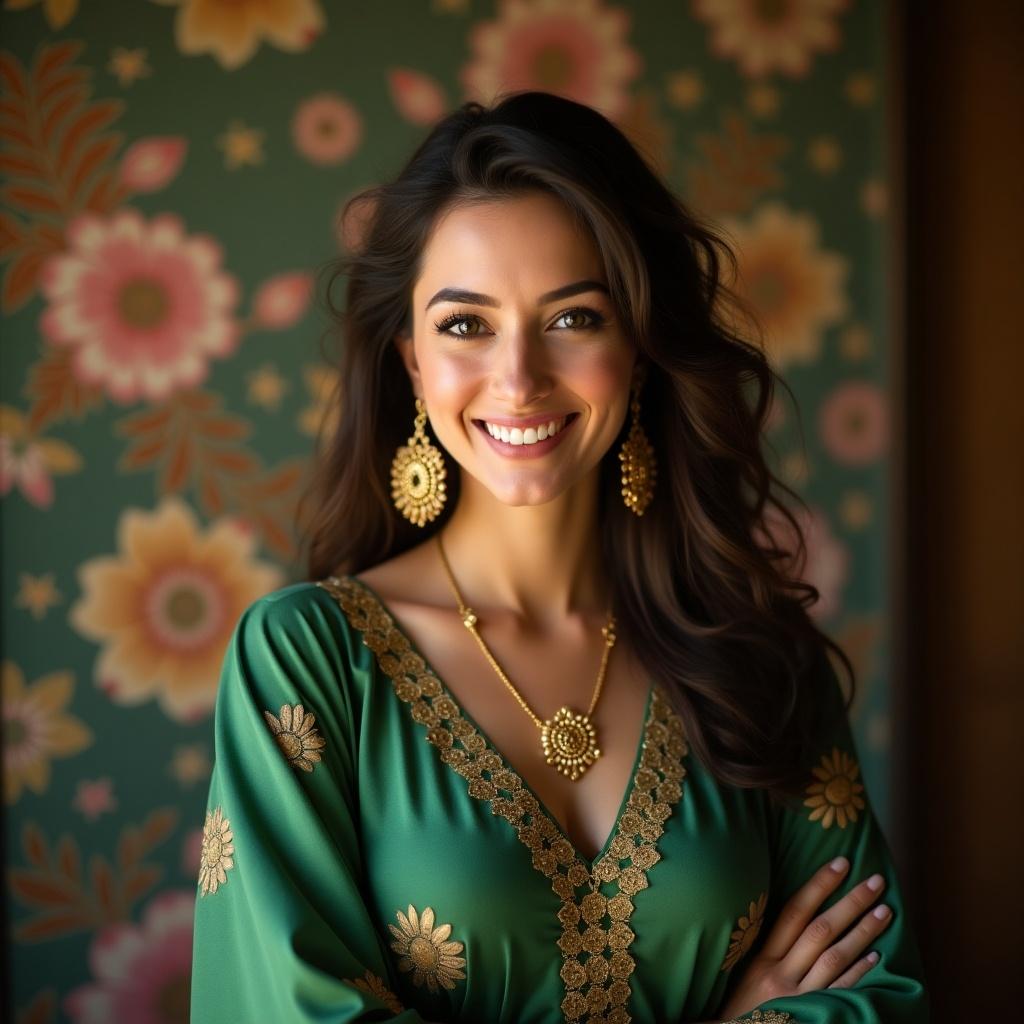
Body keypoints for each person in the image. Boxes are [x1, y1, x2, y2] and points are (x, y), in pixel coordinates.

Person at [190, 91, 929, 1023]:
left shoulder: (759, 657)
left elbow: (878, 997)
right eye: (466, 325)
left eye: (574, 318)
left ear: (641, 346)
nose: (519, 378)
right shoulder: (306, 664)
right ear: (411, 356)